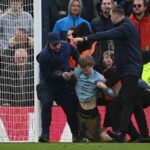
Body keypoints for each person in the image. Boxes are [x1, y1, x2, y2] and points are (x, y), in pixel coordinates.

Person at [74, 5, 143, 142]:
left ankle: (122, 133)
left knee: (127, 102)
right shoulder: (126, 26)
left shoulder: (125, 27)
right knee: (125, 103)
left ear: (116, 15)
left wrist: (86, 38)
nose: (110, 18)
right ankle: (137, 136)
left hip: (131, 70)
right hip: (128, 70)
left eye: (111, 16)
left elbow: (107, 34)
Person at [36, 32, 80, 142]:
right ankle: (45, 134)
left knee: (70, 108)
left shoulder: (67, 46)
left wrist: (79, 67)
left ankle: (76, 135)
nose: (57, 46)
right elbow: (47, 74)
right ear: (48, 44)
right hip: (47, 84)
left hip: (62, 85)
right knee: (46, 103)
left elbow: (76, 55)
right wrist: (62, 75)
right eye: (54, 45)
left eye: (58, 44)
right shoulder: (44, 56)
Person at [68, 55, 113, 142]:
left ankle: (115, 141)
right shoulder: (78, 71)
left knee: (98, 139)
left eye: (87, 69)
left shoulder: (99, 78)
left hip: (91, 115)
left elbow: (111, 94)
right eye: (83, 69)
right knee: (79, 138)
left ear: (92, 65)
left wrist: (104, 88)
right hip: (78, 111)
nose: (85, 71)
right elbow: (71, 75)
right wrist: (68, 75)